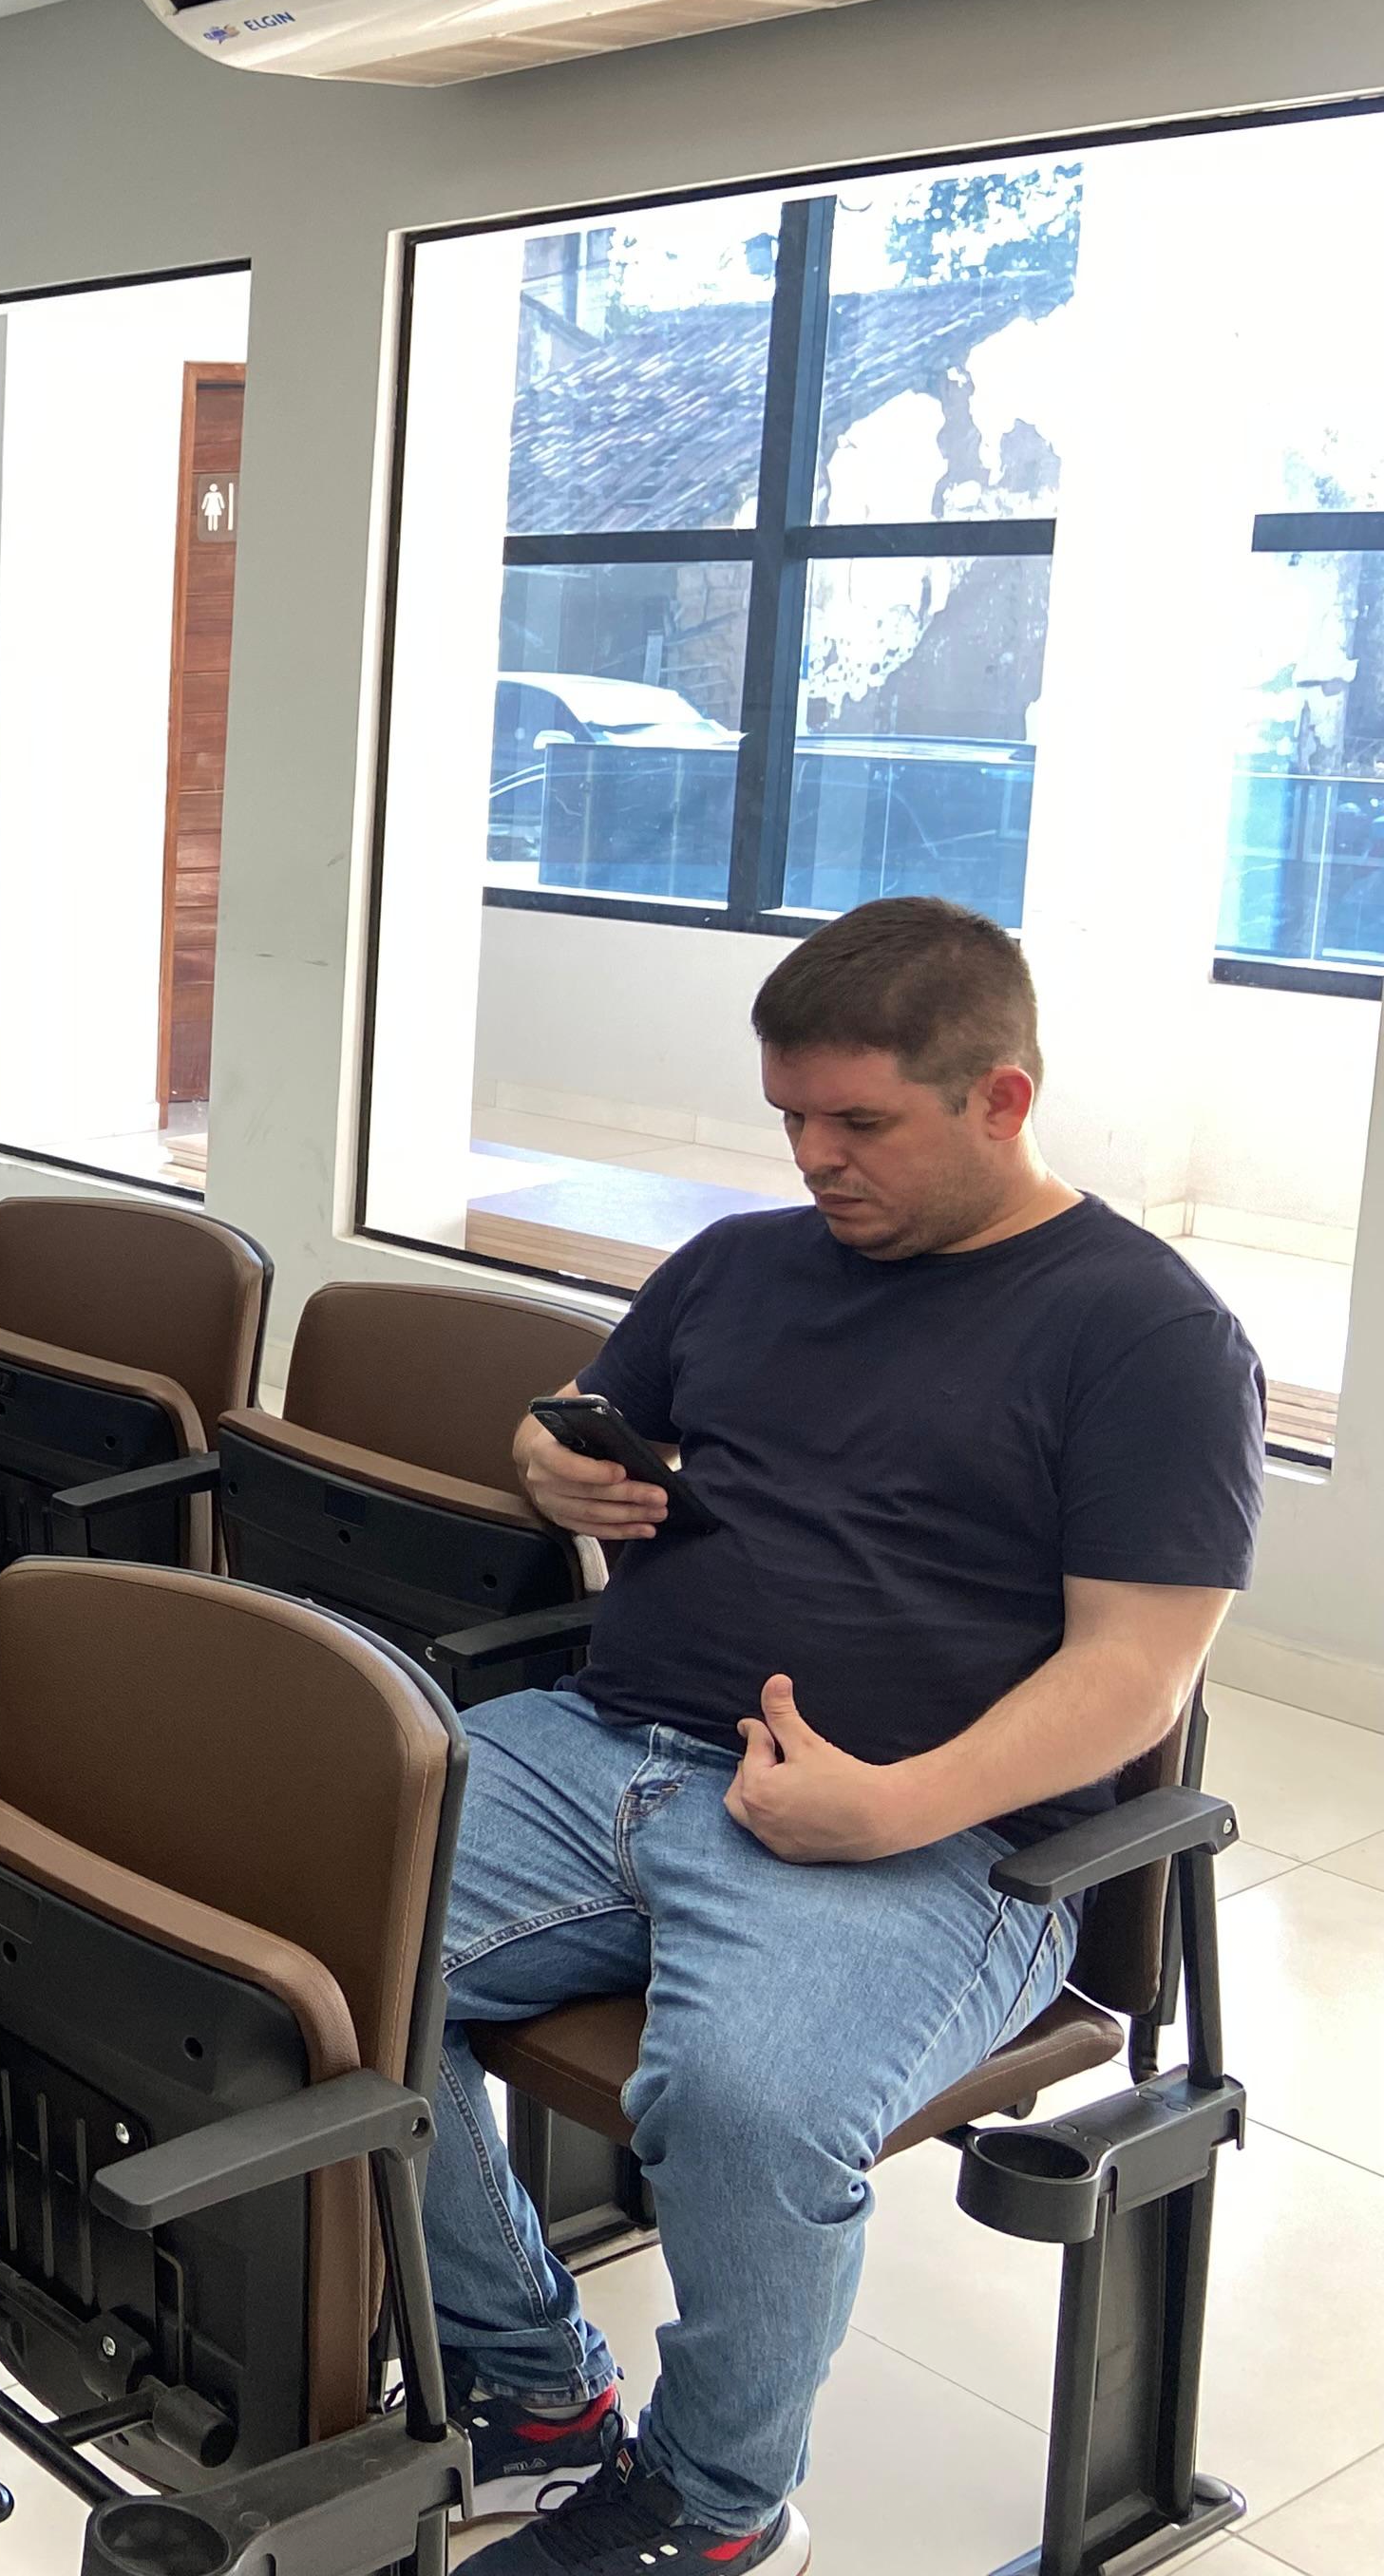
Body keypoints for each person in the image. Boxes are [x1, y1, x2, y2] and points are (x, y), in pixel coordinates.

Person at [437, 898, 1262, 2576]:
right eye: (791, 1116)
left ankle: (713, 2504)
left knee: (750, 2100)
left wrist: (894, 1806)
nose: (814, 1156)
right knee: (299, 1948)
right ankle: (535, 2389)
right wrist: (547, 1461)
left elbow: (1136, 1675)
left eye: (859, 1122)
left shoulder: (1149, 1335)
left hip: (937, 1840)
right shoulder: (738, 1263)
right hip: (604, 1744)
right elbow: (567, 1420)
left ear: (1002, 1098)